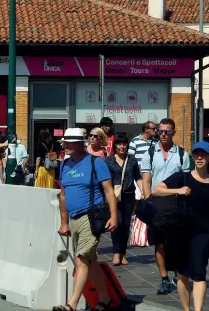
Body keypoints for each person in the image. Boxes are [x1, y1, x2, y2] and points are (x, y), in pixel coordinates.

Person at [152, 141, 209, 311]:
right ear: (193, 157)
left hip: (203, 234)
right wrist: (177, 190)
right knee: (182, 274)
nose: (199, 158)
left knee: (199, 273)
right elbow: (157, 190)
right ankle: (186, 309)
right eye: (197, 154)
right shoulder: (182, 177)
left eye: (203, 155)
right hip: (180, 232)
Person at [53, 128, 118, 311]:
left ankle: (71, 305)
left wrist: (114, 216)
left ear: (80, 144)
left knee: (82, 260)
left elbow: (109, 191)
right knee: (91, 261)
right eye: (64, 142)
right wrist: (64, 222)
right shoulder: (65, 165)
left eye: (69, 142)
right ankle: (105, 299)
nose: (65, 145)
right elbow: (63, 195)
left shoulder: (95, 162)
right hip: (73, 219)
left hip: (91, 217)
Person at [140, 118, 191, 294]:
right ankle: (164, 278)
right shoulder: (150, 153)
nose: (163, 134)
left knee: (177, 242)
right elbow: (146, 180)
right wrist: (148, 202)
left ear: (173, 133)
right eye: (160, 131)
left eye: (167, 131)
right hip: (157, 203)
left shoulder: (183, 155)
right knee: (159, 244)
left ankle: (178, 273)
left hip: (176, 205)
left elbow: (185, 181)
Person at [106, 134, 142, 266]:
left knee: (126, 224)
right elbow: (105, 180)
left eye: (124, 144)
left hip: (128, 194)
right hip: (114, 196)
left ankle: (123, 253)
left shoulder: (131, 160)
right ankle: (116, 252)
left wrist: (143, 191)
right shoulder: (109, 160)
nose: (122, 146)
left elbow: (138, 177)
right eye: (119, 144)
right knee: (117, 223)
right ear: (115, 146)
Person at [128, 121, 158, 201]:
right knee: (138, 198)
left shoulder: (157, 142)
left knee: (150, 196)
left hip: (152, 175)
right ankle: (134, 213)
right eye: (153, 129)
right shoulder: (135, 141)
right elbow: (130, 159)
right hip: (138, 175)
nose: (156, 130)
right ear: (146, 129)